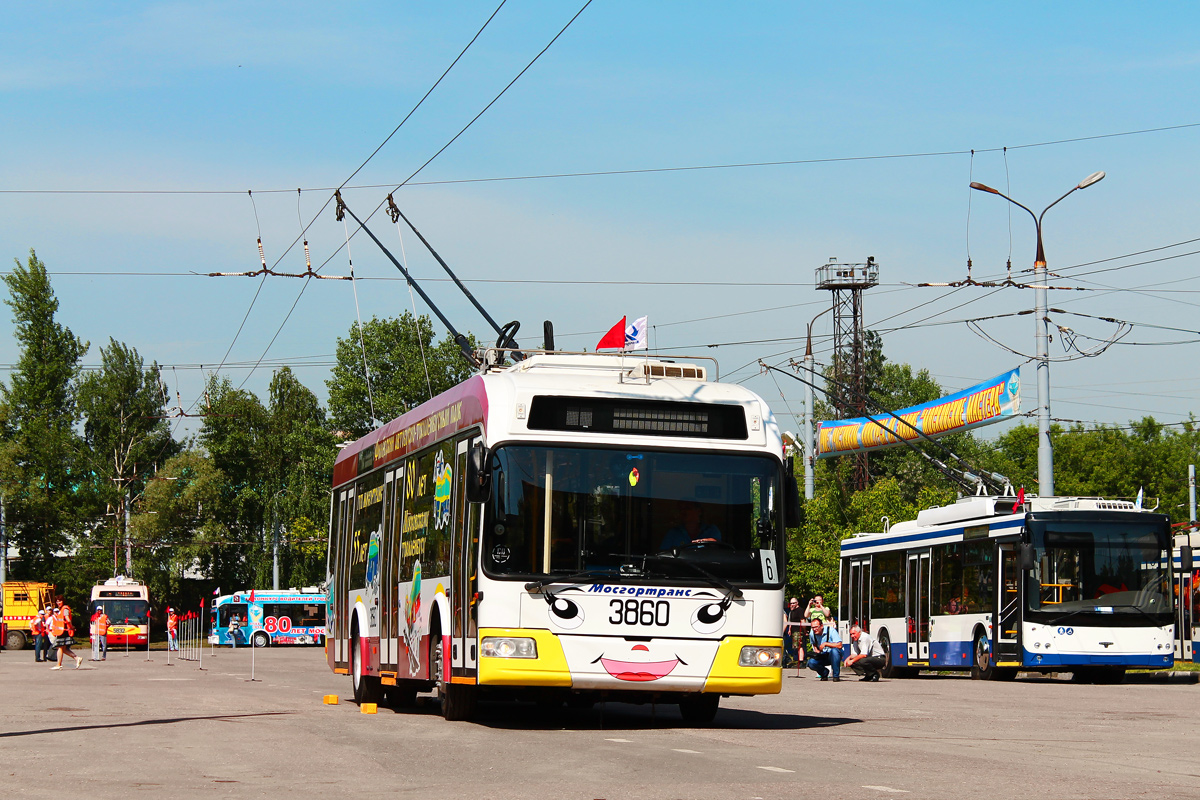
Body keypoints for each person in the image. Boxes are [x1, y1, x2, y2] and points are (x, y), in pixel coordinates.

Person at [49, 596, 82, 670]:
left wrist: (71, 626)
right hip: (62, 631)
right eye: (57, 601)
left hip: (64, 631)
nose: (58, 602)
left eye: (60, 601)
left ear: (63, 601)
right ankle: (77, 658)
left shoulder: (65, 608)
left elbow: (67, 619)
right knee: (63, 649)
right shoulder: (62, 609)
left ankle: (58, 664)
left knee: (59, 647)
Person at [783, 597, 806, 667]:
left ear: (797, 603)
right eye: (791, 603)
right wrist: (790, 629)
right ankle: (798, 661)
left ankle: (801, 662)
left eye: (793, 603)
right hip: (793, 631)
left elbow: (803, 621)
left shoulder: (800, 610)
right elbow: (791, 622)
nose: (792, 605)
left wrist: (804, 631)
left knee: (800, 646)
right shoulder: (792, 611)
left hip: (799, 631)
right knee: (796, 647)